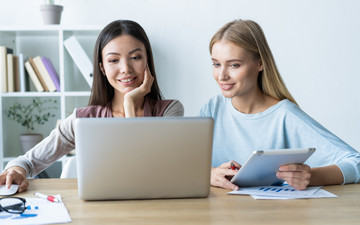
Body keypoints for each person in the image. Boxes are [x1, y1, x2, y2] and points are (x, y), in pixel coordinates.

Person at [0, 20, 184, 192]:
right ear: (102, 68)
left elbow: (146, 170)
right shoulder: (83, 119)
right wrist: (15, 171)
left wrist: (129, 104)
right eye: (113, 60)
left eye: (135, 57)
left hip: (154, 209)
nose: (126, 68)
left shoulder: (169, 112)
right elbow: (29, 161)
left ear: (148, 62)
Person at [200, 19, 360, 191]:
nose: (221, 76)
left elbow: (356, 162)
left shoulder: (284, 115)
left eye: (234, 65)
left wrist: (312, 176)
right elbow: (180, 163)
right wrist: (210, 173)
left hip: (271, 215)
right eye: (216, 64)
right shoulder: (212, 108)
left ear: (260, 64)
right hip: (218, 214)